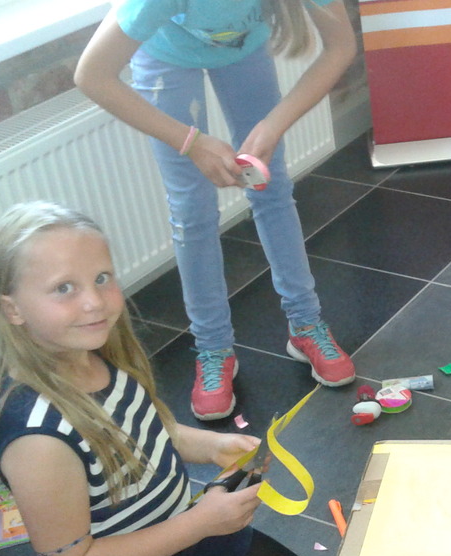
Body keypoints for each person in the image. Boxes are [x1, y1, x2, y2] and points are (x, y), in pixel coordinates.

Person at [0, 202, 319, 556]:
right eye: (64, 288)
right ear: (13, 309)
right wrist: (201, 523)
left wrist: (210, 446)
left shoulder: (96, 348)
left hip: (179, 532)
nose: (94, 302)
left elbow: (146, 425)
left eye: (102, 278)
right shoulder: (39, 441)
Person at [75, 0, 358, 421]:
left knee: (269, 184)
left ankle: (305, 324)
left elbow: (340, 46)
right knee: (192, 211)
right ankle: (213, 348)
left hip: (243, 50)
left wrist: (274, 124)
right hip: (166, 52)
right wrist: (189, 142)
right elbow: (91, 75)